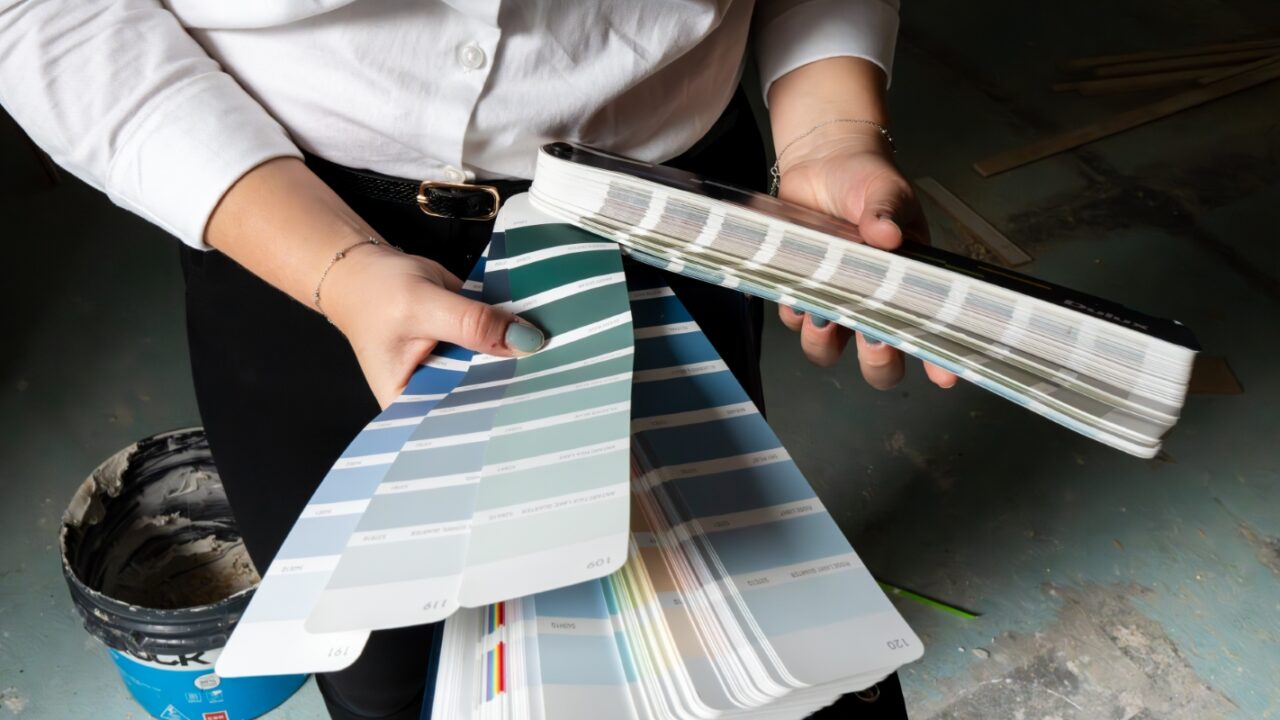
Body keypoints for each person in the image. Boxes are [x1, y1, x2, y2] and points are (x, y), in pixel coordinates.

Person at [1, 1, 955, 717]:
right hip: (286, 229)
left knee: (695, 631)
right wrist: (336, 271)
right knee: (374, 662)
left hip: (661, 208)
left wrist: (831, 132)